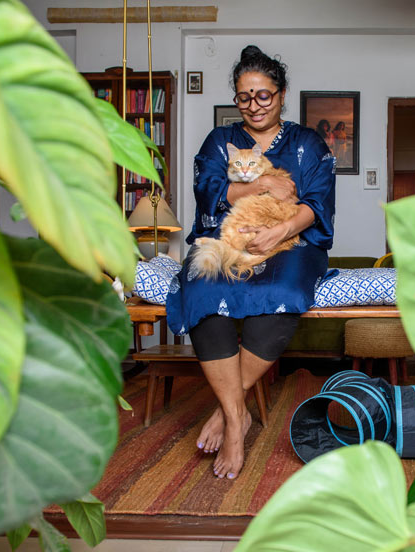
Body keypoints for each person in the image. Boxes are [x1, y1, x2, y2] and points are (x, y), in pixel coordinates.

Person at [166, 45, 336, 480]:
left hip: (289, 241)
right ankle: (237, 419)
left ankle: (227, 412)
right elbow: (207, 191)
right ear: (236, 99)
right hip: (227, 238)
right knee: (202, 286)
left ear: (281, 95)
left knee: (284, 291)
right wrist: (258, 183)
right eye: (245, 97)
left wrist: (278, 231)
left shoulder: (308, 144)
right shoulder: (220, 141)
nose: (254, 105)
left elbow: (317, 204)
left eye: (263, 95)